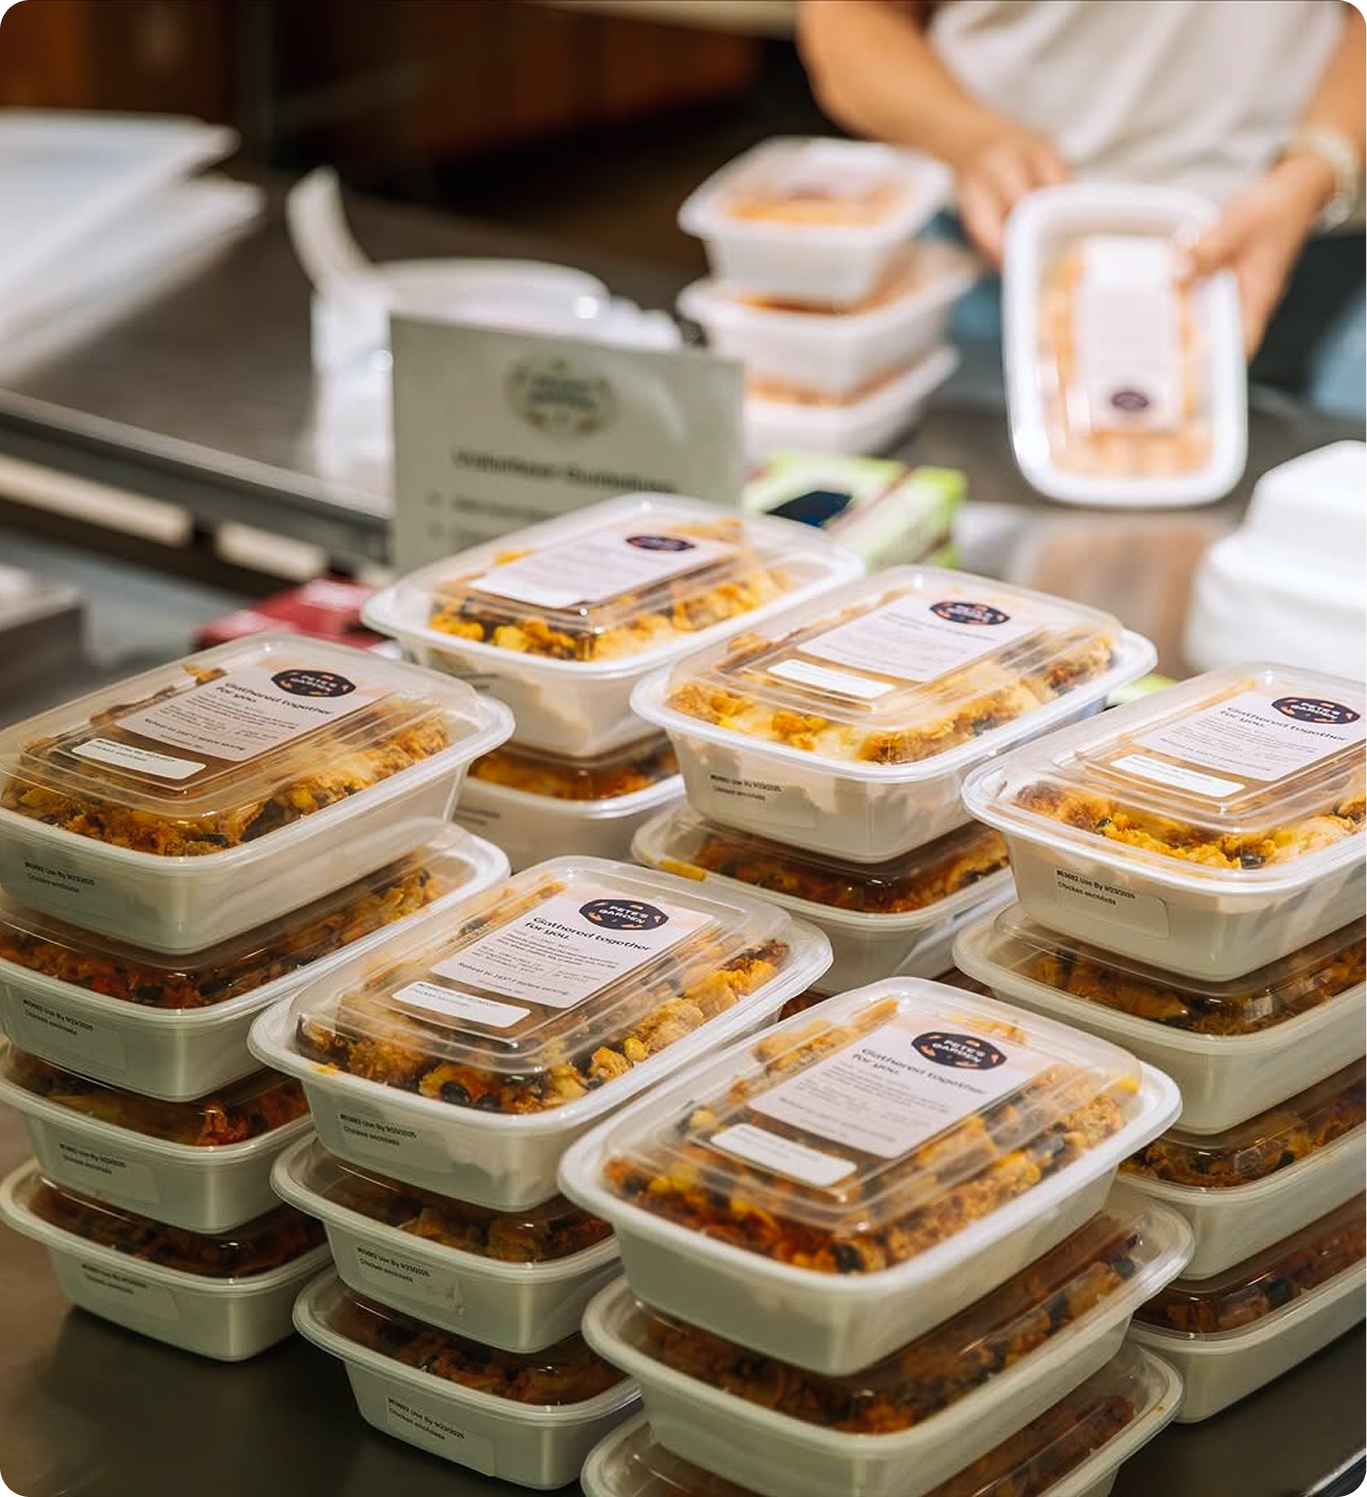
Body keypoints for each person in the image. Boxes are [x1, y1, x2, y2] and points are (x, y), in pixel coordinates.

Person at [798, 0, 1367, 413]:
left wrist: (1317, 166)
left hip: (1295, 246)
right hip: (993, 253)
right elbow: (851, 17)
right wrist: (971, 139)